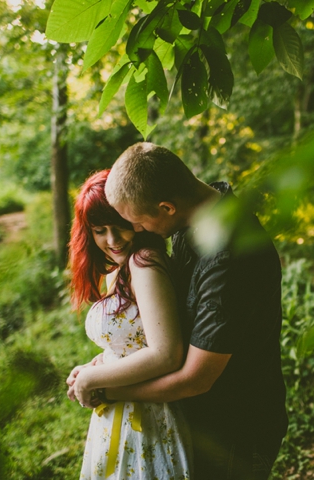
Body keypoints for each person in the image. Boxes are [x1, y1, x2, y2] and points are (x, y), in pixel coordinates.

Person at [99, 143, 288, 479]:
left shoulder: (230, 260)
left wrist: (110, 391)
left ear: (166, 207)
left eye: (138, 221)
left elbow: (197, 379)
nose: (138, 231)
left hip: (236, 429)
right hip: (203, 421)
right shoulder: (200, 211)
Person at [66, 169, 192, 480]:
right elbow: (135, 339)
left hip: (147, 417)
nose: (112, 239)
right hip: (120, 413)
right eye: (99, 229)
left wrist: (92, 380)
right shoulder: (119, 269)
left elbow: (166, 354)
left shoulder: (143, 262)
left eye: (120, 225)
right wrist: (95, 366)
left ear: (133, 218)